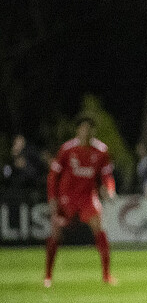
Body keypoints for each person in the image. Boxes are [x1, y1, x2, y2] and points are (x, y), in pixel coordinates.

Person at [45, 115, 117, 287]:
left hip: (87, 197)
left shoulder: (101, 151)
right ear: (78, 130)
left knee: (99, 227)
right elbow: (53, 176)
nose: (86, 131)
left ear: (93, 131)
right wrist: (53, 197)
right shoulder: (67, 149)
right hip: (67, 197)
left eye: (90, 128)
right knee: (56, 233)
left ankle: (106, 276)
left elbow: (107, 175)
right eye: (83, 128)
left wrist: (110, 189)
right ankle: (48, 276)